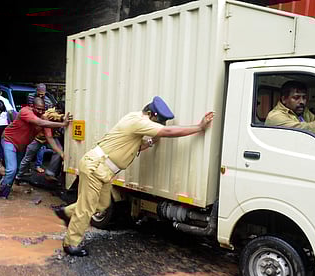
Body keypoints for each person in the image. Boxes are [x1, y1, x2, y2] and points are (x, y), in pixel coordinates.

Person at [53, 96, 214, 256]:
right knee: (87, 208)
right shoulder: (138, 121)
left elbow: (135, 147)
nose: (156, 127)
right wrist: (199, 127)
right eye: (157, 123)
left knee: (101, 205)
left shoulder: (136, 122)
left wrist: (150, 142)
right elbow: (168, 131)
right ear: (152, 114)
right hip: (96, 167)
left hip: (104, 171)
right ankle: (70, 244)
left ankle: (67, 213)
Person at [0, 97, 72, 198]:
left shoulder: (43, 117)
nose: (40, 111)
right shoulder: (25, 111)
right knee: (12, 169)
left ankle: (5, 186)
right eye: (38, 108)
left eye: (42, 109)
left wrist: (62, 154)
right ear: (32, 106)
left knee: (15, 170)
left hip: (21, 146)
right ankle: (3, 195)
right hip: (9, 140)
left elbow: (50, 138)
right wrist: (63, 124)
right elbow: (39, 123)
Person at [265, 81, 315, 145]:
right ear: (284, 99)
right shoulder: (275, 117)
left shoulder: (303, 112)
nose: (302, 102)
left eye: (304, 97)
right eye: (296, 97)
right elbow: (307, 130)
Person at [14, 106, 65, 184]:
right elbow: (53, 116)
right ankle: (19, 176)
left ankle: (50, 173)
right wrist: (62, 117)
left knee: (59, 151)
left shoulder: (55, 113)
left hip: (51, 136)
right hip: (38, 138)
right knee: (28, 157)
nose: (41, 111)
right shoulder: (50, 112)